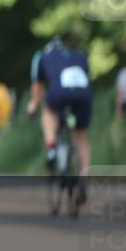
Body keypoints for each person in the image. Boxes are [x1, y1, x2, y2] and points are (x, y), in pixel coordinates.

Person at [27, 35, 93, 178]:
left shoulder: (41, 56)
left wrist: (33, 104)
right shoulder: (80, 54)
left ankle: (51, 146)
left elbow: (37, 87)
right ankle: (84, 178)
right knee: (81, 138)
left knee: (49, 112)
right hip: (84, 94)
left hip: (58, 92)